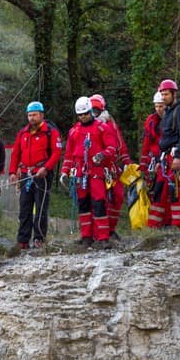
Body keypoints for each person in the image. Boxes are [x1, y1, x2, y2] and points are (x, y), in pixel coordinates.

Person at [61, 96, 118, 248]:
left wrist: (102, 155)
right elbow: (69, 155)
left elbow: (112, 148)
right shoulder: (74, 131)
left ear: (91, 112)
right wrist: (65, 172)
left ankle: (103, 237)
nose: (83, 117)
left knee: (99, 203)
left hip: (96, 170)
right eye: (80, 115)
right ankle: (86, 236)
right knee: (83, 204)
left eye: (85, 114)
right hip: (80, 172)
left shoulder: (102, 128)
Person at [7, 101, 63, 248]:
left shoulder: (50, 132)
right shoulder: (23, 133)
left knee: (40, 207)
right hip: (26, 174)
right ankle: (23, 240)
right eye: (29, 115)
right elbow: (16, 153)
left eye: (34, 115)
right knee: (24, 208)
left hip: (42, 175)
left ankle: (39, 238)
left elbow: (57, 153)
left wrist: (46, 168)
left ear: (41, 115)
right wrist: (13, 172)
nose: (31, 118)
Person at [148, 79, 180, 228]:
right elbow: (165, 137)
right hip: (166, 156)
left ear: (174, 94)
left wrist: (178, 156)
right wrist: (159, 160)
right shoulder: (168, 111)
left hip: (177, 154)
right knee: (160, 189)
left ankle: (177, 224)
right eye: (162, 94)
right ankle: (154, 225)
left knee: (176, 189)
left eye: (166, 94)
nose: (164, 97)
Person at [91, 94, 130, 237]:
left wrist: (126, 162)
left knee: (117, 198)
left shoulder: (110, 125)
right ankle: (98, 232)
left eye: (96, 111)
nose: (94, 114)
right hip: (97, 169)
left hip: (113, 168)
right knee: (99, 201)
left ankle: (111, 229)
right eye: (92, 111)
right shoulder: (88, 128)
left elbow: (120, 144)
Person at [140, 92, 165, 181]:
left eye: (161, 106)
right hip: (152, 159)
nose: (158, 109)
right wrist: (143, 165)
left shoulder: (171, 120)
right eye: (156, 106)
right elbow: (146, 142)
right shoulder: (151, 120)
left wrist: (160, 160)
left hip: (164, 159)